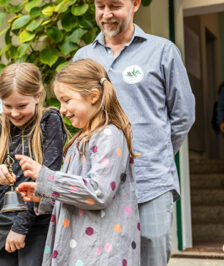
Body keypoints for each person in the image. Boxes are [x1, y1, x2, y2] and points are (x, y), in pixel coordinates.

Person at [72, 0, 195, 265]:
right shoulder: (83, 58)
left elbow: (183, 115)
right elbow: (75, 116)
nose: (106, 14)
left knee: (152, 255)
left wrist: (155, 152)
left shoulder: (162, 51)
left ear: (135, 4)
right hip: (99, 184)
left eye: (114, 5)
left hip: (150, 182)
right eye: (100, 6)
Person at [16, 59, 140, 265]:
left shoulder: (109, 135)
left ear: (93, 96)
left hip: (100, 254)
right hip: (80, 249)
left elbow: (98, 192)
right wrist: (43, 196)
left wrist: (46, 176)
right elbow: (78, 194)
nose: (62, 109)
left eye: (67, 100)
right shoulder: (81, 140)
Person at [0, 63, 66, 266]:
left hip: (37, 224)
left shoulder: (49, 122)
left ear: (37, 95)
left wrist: (20, 228)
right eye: (8, 106)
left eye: (21, 106)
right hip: (2, 222)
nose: (14, 113)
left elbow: (46, 181)